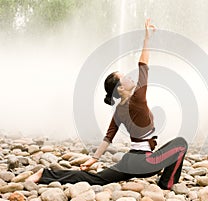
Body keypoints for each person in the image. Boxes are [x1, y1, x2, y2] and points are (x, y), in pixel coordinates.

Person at [26, 19, 188, 190]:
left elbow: (108, 138)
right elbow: (143, 65)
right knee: (181, 143)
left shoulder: (119, 110)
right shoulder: (138, 99)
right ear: (120, 89)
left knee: (97, 179)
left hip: (130, 160)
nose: (129, 77)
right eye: (124, 77)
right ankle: (166, 184)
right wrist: (147, 40)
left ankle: (44, 174)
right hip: (144, 163)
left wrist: (94, 159)